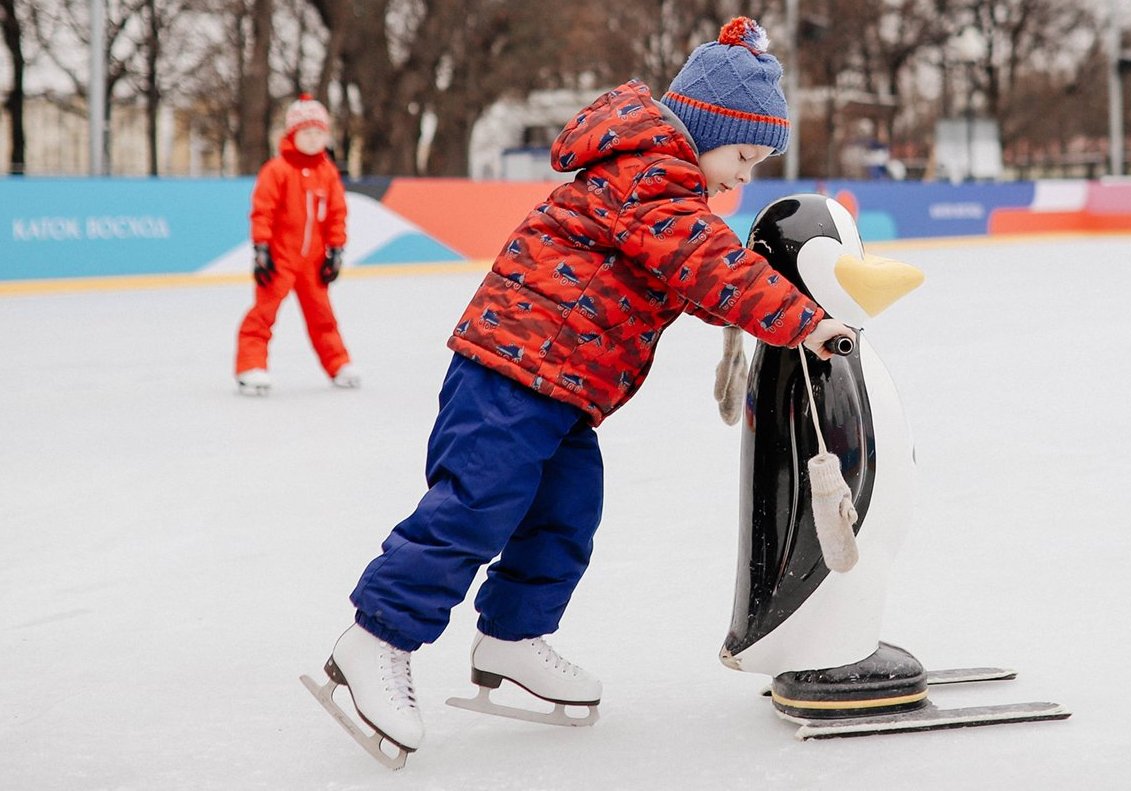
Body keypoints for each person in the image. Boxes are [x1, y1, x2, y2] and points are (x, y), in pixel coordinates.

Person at [308, 17, 855, 756]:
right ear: (701, 129)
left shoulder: (665, 195)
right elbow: (704, 265)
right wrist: (802, 321)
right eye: (743, 155)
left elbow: (685, 276)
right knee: (474, 507)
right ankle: (376, 638)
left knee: (567, 510)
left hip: (562, 388)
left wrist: (769, 307)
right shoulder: (652, 177)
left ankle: (513, 634)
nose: (744, 175)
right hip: (509, 372)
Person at [234, 94, 359, 396]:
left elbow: (336, 213)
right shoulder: (277, 170)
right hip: (280, 257)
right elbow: (262, 209)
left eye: (319, 133)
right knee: (264, 313)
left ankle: (338, 364)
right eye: (307, 133)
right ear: (293, 134)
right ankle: (250, 366)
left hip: (313, 260)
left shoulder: (327, 172)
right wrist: (262, 248)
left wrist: (336, 250)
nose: (314, 139)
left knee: (323, 316)